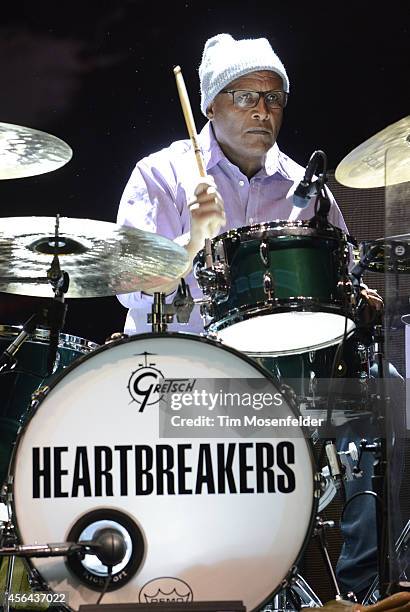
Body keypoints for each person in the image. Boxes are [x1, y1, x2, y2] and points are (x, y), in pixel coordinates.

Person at [117, 33, 383, 601]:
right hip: (174, 381)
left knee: (381, 409)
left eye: (274, 98)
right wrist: (191, 241)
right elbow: (126, 287)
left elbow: (340, 277)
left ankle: (357, 591)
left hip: (280, 383)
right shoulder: (160, 175)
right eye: (243, 96)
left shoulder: (304, 190)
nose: (263, 110)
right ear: (209, 104)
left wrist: (356, 296)